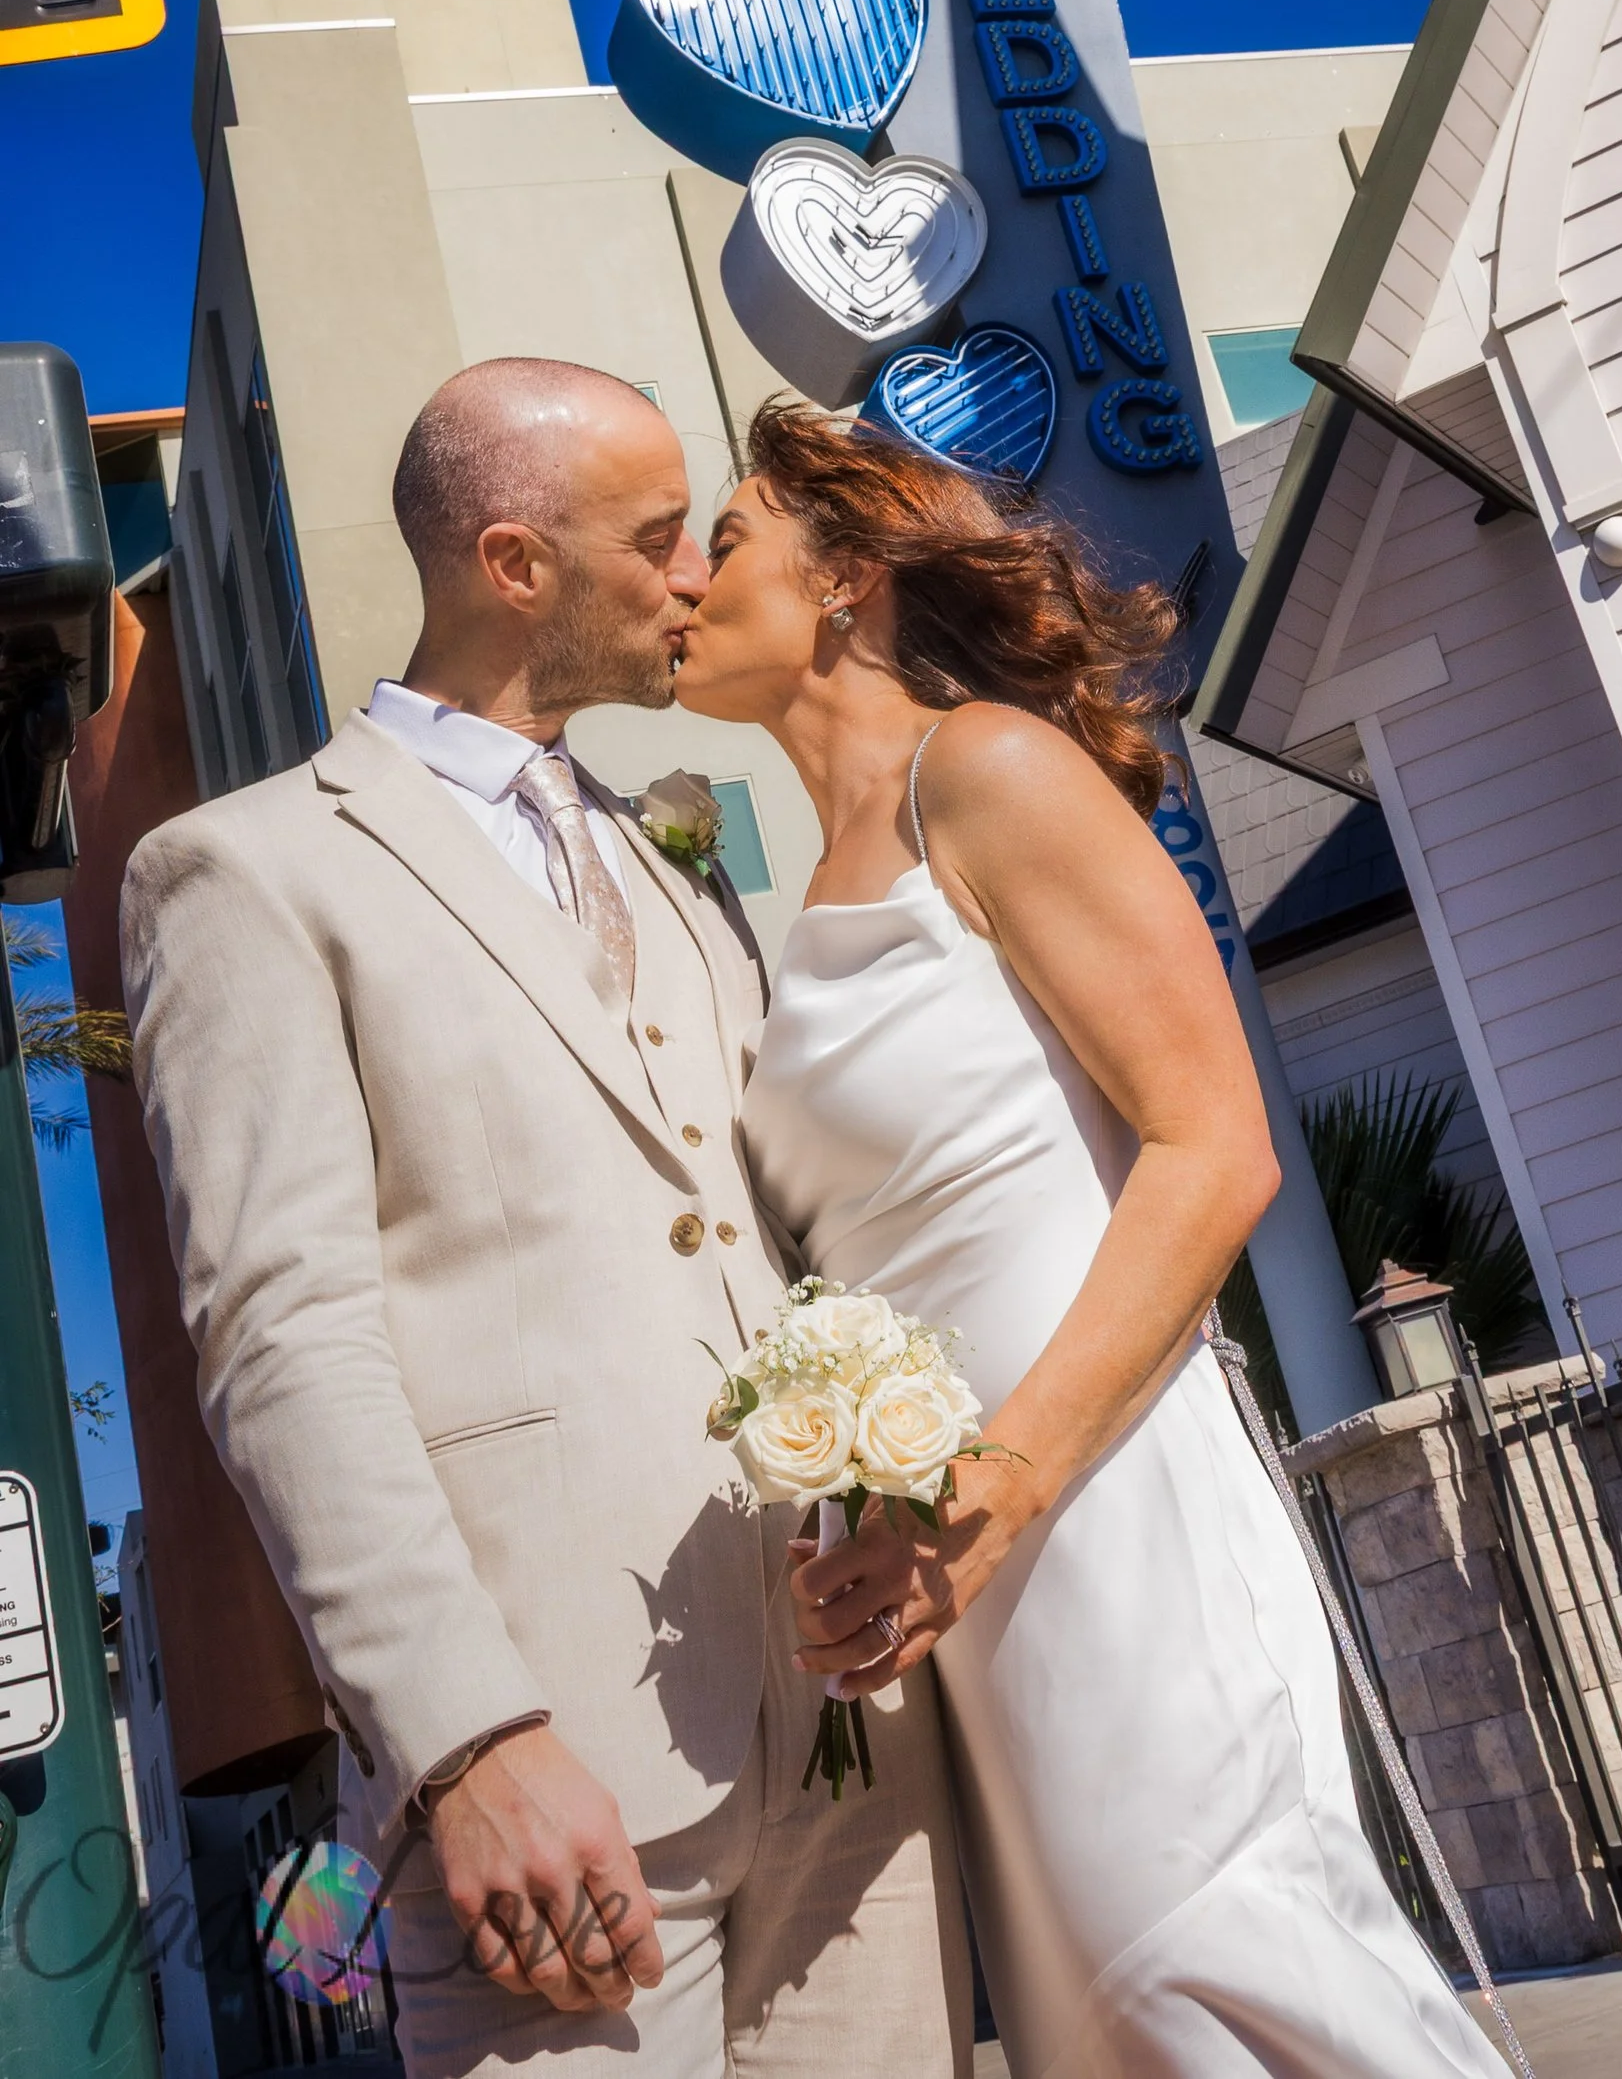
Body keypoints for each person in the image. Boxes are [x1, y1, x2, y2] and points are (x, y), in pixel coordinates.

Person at [124, 358, 970, 2079]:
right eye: (659, 538)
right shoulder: (246, 871)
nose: (691, 576)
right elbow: (282, 1336)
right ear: (514, 564)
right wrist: (462, 1741)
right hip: (545, 1775)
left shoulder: (680, 856)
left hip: (849, 1749)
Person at [676, 397, 1504, 2079]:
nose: (688, 578)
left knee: (1220, 1971)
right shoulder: (788, 901)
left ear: (843, 576)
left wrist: (1001, 1485)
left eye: (728, 536)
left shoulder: (982, 769)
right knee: (1105, 2032)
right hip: (961, 1585)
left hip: (1101, 1505)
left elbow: (1215, 1147)